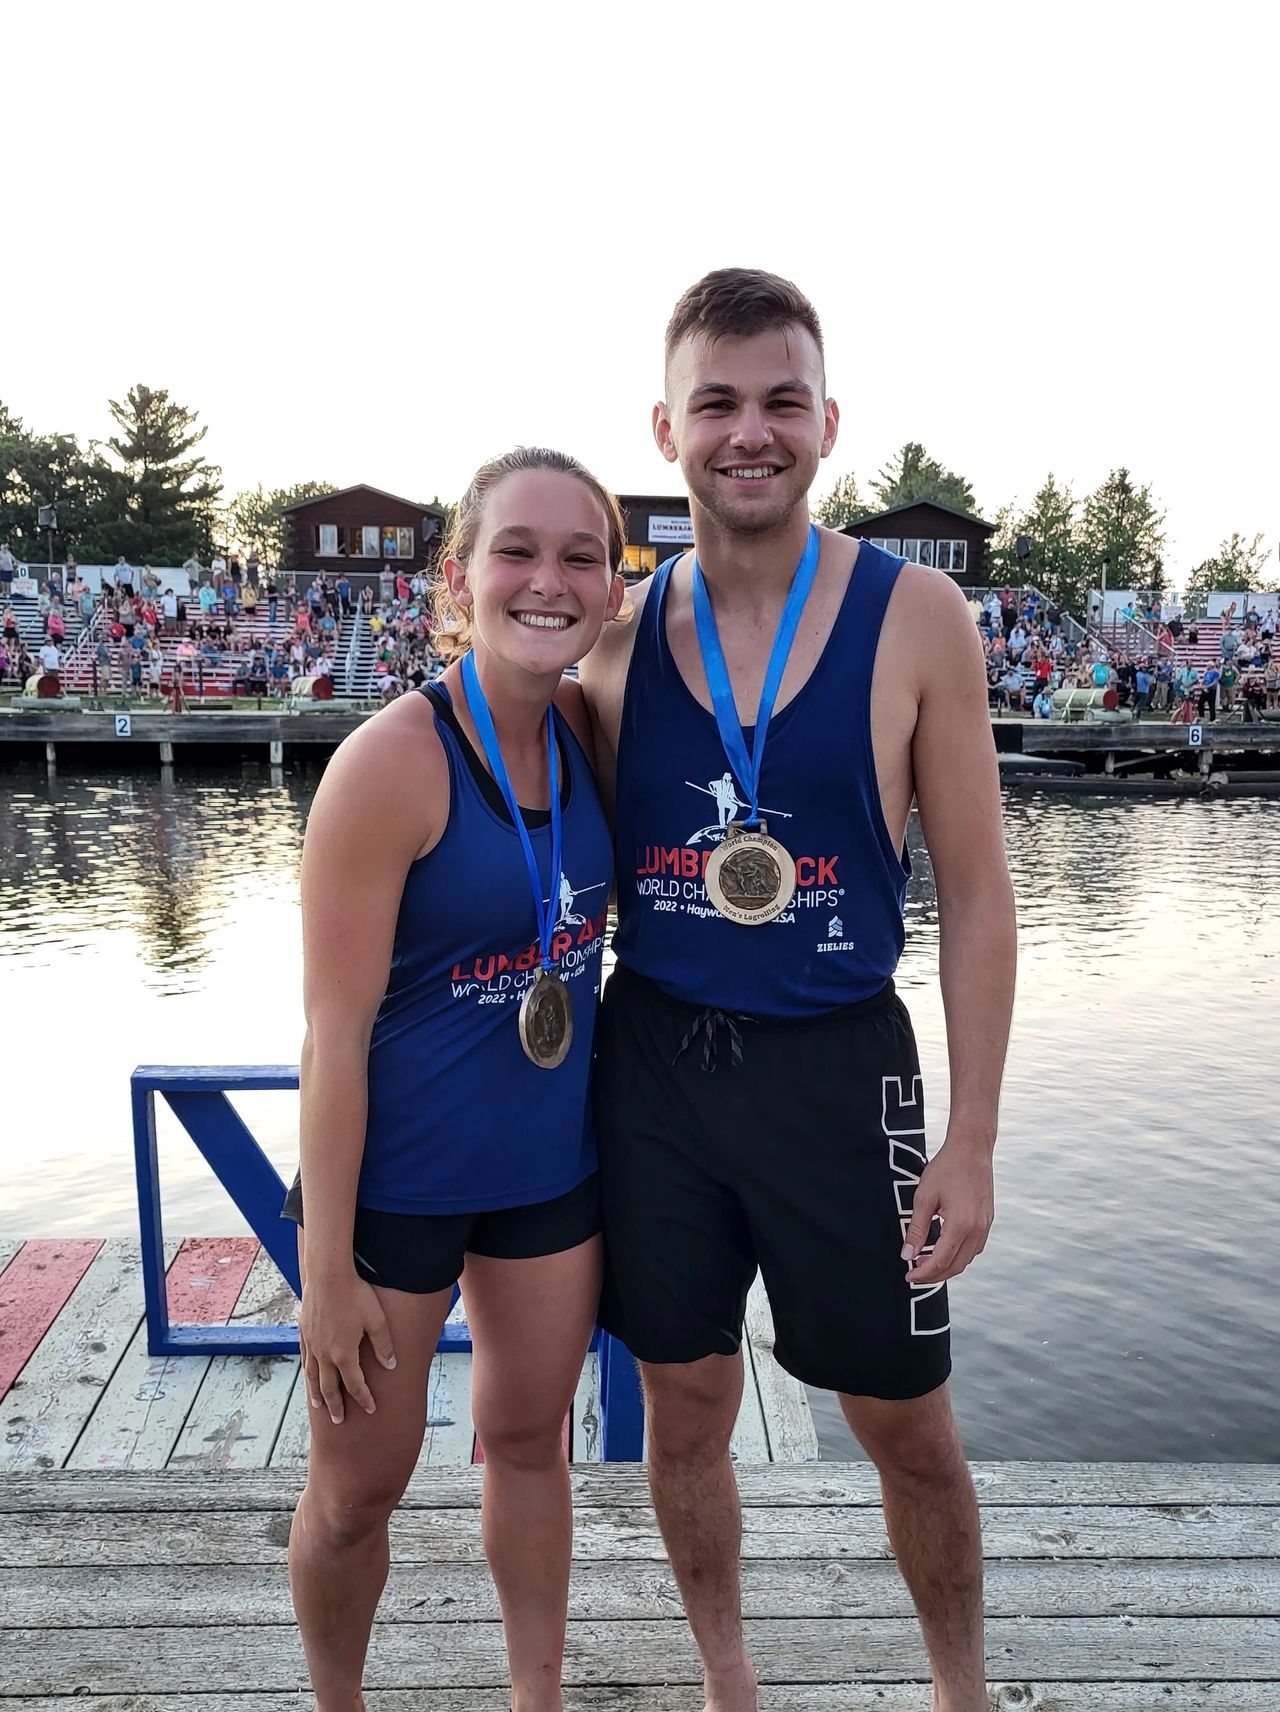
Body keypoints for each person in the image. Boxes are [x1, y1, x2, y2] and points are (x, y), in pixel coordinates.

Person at [579, 269, 1014, 1712]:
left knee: (910, 1426)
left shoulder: (918, 616)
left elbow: (981, 893)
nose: (747, 431)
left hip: (840, 1065)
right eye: (717, 402)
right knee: (685, 1407)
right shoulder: (612, 641)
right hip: (659, 1066)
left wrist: (973, 1138)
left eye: (779, 401)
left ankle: (959, 1689)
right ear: (666, 428)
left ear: (829, 422)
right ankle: (728, 1682)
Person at [283, 447, 625, 1712]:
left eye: (579, 555)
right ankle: (339, 1700)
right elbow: (332, 1033)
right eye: (517, 551)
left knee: (531, 1444)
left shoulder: (595, 732)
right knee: (358, 1484)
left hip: (547, 1172)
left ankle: (535, 1696)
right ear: (457, 579)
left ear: (610, 583)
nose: (547, 579)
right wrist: (324, 1272)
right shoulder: (391, 764)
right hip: (394, 1192)